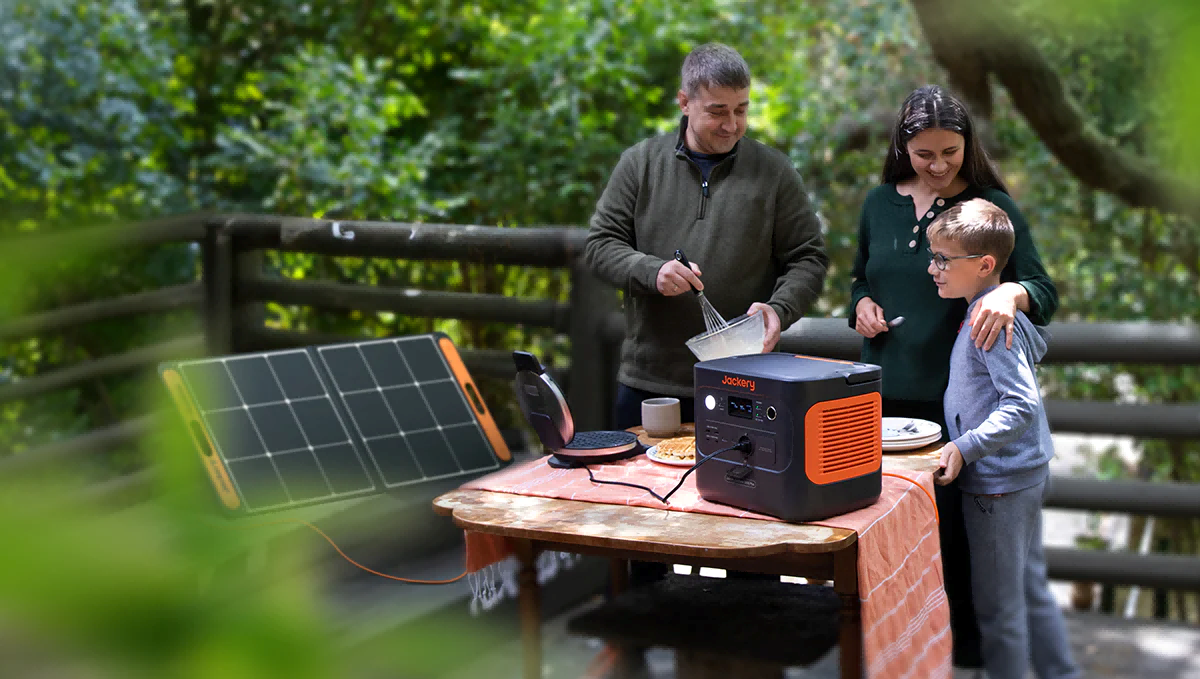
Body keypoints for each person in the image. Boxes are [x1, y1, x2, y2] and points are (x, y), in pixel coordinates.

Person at [847, 84, 1059, 671]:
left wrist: (1013, 293)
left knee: (960, 557)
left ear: (968, 147)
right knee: (887, 545)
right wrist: (860, 305)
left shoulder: (987, 209)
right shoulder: (875, 204)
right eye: (924, 155)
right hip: (883, 401)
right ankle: (894, 653)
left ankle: (964, 660)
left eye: (951, 152)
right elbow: (859, 278)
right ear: (902, 147)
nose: (938, 166)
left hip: (957, 413)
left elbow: (1044, 289)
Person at [585, 42, 828, 431]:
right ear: (684, 101)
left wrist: (779, 310)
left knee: (741, 490)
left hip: (747, 381)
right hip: (651, 383)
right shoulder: (641, 163)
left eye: (741, 110)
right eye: (718, 111)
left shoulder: (774, 171)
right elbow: (599, 246)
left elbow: (808, 258)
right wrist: (653, 271)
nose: (732, 124)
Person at [928, 198, 1081, 679]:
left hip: (999, 483)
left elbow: (1020, 405)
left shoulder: (988, 323)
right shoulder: (986, 311)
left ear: (985, 265)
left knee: (1000, 614)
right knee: (1030, 590)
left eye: (942, 260)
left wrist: (962, 446)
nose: (932, 269)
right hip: (1023, 475)